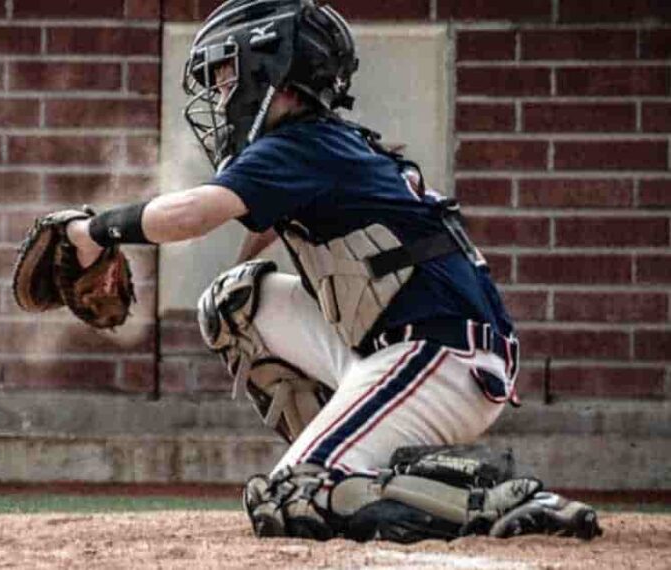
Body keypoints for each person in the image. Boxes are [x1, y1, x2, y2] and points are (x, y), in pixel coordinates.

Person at [60, 0, 601, 543]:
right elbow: (264, 221)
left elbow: (193, 214)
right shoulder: (317, 144)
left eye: (228, 77)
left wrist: (93, 232)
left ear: (273, 74)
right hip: (414, 347)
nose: (221, 97)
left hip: (439, 360)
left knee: (291, 497)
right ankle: (345, 461)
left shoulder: (301, 145)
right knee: (236, 304)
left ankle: (487, 501)